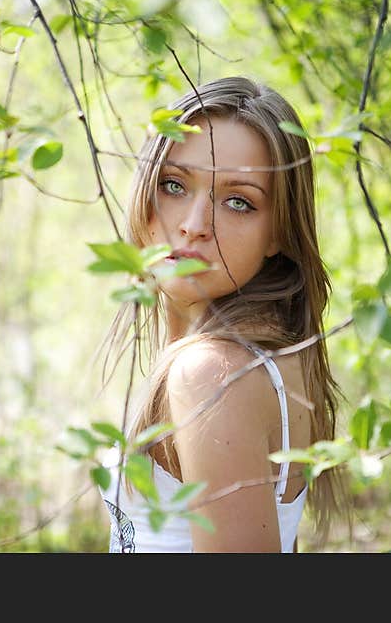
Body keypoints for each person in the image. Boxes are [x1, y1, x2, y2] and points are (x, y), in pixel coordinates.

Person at [97, 75, 348, 552]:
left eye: (238, 202)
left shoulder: (213, 374)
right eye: (173, 185)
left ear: (278, 232)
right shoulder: (273, 358)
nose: (193, 226)